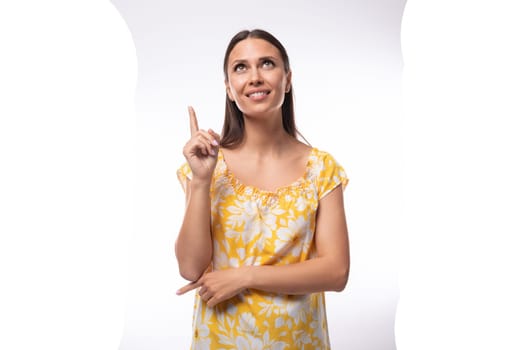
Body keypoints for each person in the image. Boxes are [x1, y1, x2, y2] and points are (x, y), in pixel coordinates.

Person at [175, 29, 350, 349]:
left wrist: (245, 276)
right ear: (229, 88)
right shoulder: (207, 167)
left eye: (267, 64)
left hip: (299, 342)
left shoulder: (322, 169)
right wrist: (201, 181)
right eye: (240, 67)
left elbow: (336, 271)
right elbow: (190, 267)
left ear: (287, 79)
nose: (254, 76)